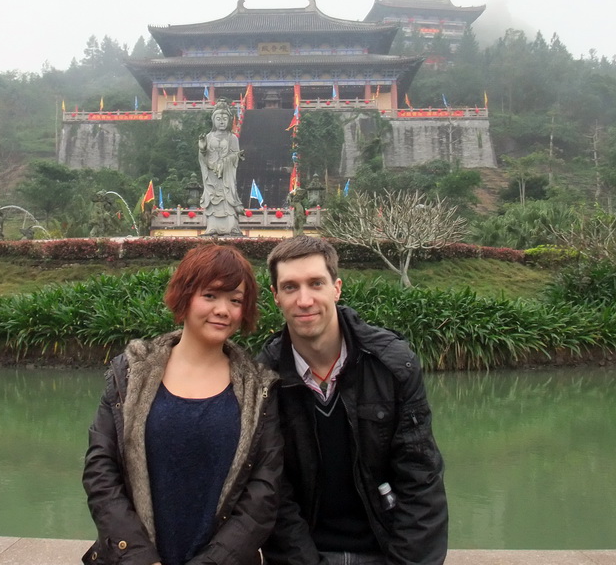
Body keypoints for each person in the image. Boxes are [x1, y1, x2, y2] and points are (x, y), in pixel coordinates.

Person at [82, 244, 282, 565]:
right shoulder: (131, 373)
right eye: (210, 296)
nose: (223, 310)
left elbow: (264, 491)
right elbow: (100, 470)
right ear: (185, 296)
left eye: (235, 300)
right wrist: (137, 556)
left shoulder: (259, 388)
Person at [258, 235, 448, 565]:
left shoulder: (391, 364)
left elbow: (420, 479)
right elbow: (274, 494)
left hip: (384, 548)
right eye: (290, 287)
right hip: (307, 553)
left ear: (337, 288)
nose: (305, 300)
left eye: (316, 283)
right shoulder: (263, 379)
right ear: (275, 296)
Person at [198, 100, 245, 236]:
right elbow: (203, 157)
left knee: (227, 199)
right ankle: (212, 226)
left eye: (224, 119)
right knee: (212, 200)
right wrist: (202, 149)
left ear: (229, 120)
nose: (222, 121)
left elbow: (235, 155)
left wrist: (227, 161)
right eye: (218, 119)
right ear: (213, 120)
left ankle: (231, 226)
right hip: (212, 175)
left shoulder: (233, 138)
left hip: (226, 176)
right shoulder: (208, 137)